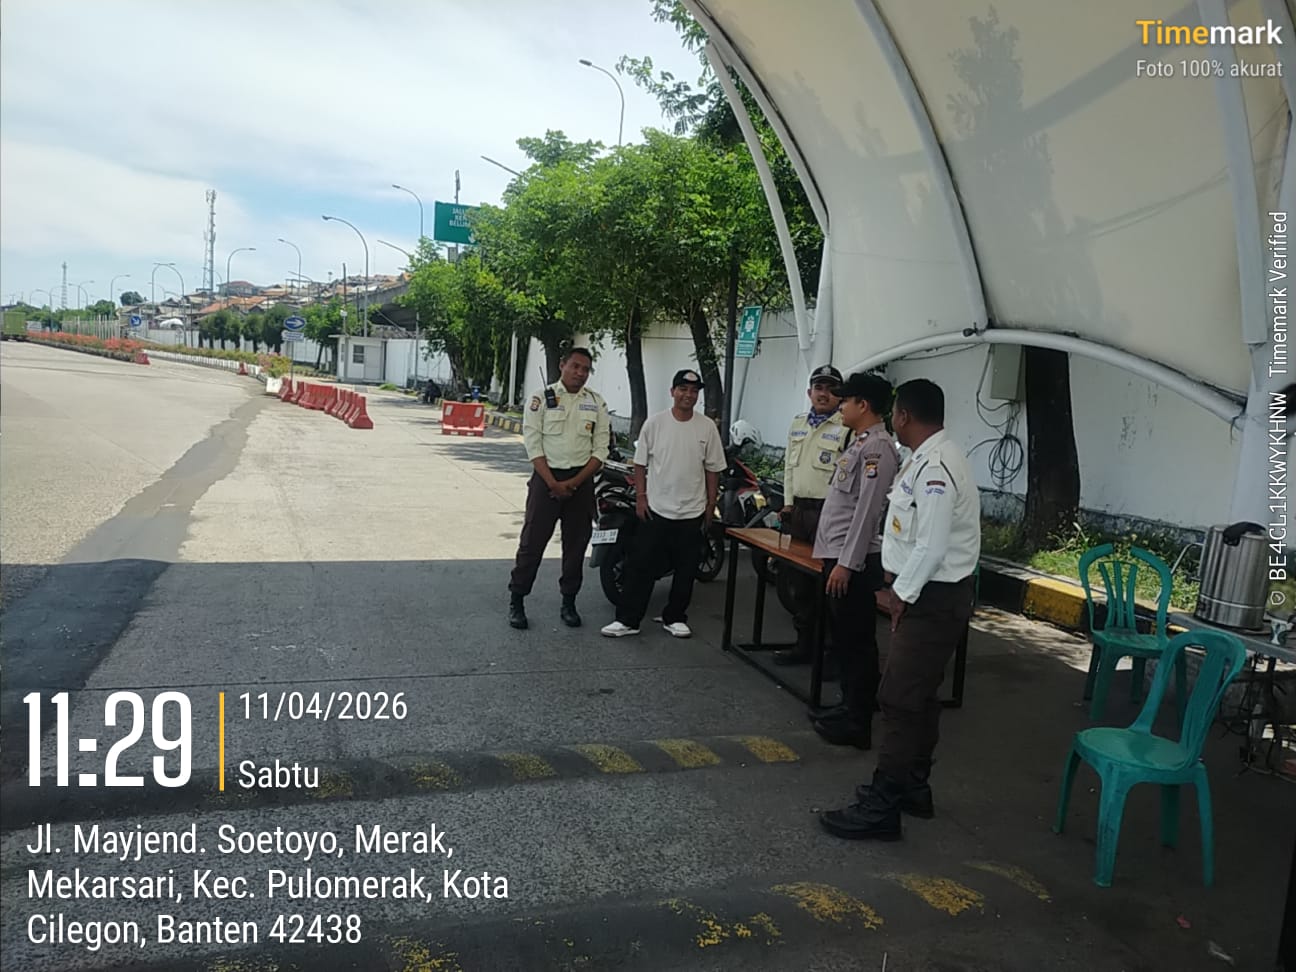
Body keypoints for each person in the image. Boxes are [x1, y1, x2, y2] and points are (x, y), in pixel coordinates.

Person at [819, 378, 981, 841]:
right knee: (920, 696)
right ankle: (913, 785)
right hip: (928, 594)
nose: (893, 420)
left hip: (931, 597)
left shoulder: (936, 468)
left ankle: (882, 804)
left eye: (895, 414)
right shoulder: (926, 458)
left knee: (898, 699)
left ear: (904, 415)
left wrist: (900, 596)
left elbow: (931, 546)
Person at [807, 372, 900, 749]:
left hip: (854, 562)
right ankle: (849, 705)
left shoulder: (878, 448)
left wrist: (846, 563)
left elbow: (867, 512)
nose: (840, 405)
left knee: (856, 640)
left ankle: (858, 721)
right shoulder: (860, 443)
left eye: (846, 400)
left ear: (863, 405)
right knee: (844, 638)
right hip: (839, 555)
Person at [601, 369, 726, 639]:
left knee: (686, 569)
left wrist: (710, 504)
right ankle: (628, 620)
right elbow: (640, 464)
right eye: (683, 389)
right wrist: (641, 498)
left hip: (692, 511)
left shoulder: (706, 428)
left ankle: (675, 617)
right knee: (641, 566)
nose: (688, 395)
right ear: (673, 392)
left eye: (693, 391)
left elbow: (713, 469)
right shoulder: (655, 423)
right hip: (656, 509)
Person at [508, 348, 609, 630]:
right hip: (546, 480)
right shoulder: (541, 398)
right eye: (575, 366)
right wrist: (553, 483)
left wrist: (573, 483)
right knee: (532, 543)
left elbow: (600, 449)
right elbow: (533, 444)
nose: (580, 373)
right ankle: (517, 600)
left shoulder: (596, 403)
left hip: (581, 481)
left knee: (576, 547)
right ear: (562, 365)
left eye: (585, 369)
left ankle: (569, 602)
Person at [772, 365, 847, 666]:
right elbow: (790, 468)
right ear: (809, 392)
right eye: (819, 388)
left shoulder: (847, 428)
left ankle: (832, 653)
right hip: (800, 512)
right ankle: (805, 645)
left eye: (830, 389)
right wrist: (788, 503)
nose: (823, 394)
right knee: (800, 584)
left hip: (829, 514)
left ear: (840, 395)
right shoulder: (798, 424)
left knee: (831, 585)